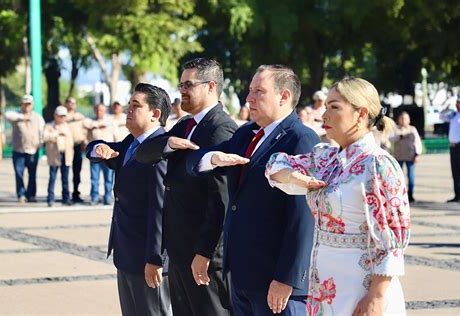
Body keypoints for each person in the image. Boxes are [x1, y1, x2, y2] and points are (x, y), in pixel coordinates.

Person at [265, 77, 410, 315]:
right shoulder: (325, 158)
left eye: (334, 107)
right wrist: (294, 178)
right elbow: (274, 164)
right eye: (325, 107)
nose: (324, 115)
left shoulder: (378, 164)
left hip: (362, 286)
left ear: (360, 114)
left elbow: (393, 240)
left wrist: (376, 296)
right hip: (325, 285)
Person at [182, 64, 319, 315]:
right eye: (249, 90)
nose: (249, 98)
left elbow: (303, 217)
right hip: (242, 275)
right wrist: (214, 159)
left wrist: (287, 278)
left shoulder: (301, 139)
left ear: (284, 96)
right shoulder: (246, 134)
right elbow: (193, 162)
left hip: (274, 280)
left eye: (259, 91)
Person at [135, 58, 236, 316]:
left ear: (211, 86)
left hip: (202, 256)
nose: (182, 91)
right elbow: (144, 153)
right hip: (179, 250)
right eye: (180, 84)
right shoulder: (185, 125)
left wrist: (205, 252)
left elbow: (221, 200)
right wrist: (168, 145)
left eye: (188, 84)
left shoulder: (221, 129)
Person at [86, 83, 172, 316]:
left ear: (155, 114)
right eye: (129, 105)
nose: (128, 110)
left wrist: (155, 258)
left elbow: (159, 207)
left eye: (136, 106)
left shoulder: (160, 148)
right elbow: (94, 148)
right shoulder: (130, 143)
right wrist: (100, 149)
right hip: (126, 252)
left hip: (147, 257)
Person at [5, 94, 45, 203]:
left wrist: (40, 144)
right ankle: (21, 194)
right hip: (19, 151)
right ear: (21, 104)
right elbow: (7, 115)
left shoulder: (37, 117)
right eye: (25, 104)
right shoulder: (16, 116)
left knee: (32, 174)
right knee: (19, 173)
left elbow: (42, 132)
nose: (27, 106)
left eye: (29, 104)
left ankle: (31, 194)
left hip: (33, 150)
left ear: (32, 105)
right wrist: (22, 117)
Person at [84, 103, 115, 205]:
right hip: (95, 155)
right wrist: (97, 125)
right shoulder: (91, 123)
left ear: (105, 111)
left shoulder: (110, 122)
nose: (99, 112)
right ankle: (94, 197)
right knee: (94, 177)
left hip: (107, 155)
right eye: (97, 110)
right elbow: (87, 134)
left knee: (109, 178)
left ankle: (107, 198)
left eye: (101, 110)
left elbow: (116, 137)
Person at [43, 106, 74, 207]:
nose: (61, 118)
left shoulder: (68, 127)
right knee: (52, 177)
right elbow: (45, 137)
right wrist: (56, 133)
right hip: (54, 155)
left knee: (65, 178)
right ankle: (50, 198)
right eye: (60, 116)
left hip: (66, 155)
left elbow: (71, 141)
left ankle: (66, 198)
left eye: (63, 116)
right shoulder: (49, 126)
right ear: (55, 115)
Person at [390, 111, 422, 202]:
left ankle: (410, 194)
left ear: (409, 120)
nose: (404, 120)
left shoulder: (412, 129)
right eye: (402, 118)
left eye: (406, 119)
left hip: (410, 156)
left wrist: (417, 154)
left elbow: (417, 143)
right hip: (398, 156)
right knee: (398, 177)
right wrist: (400, 136)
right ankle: (399, 194)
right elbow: (390, 138)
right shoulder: (395, 129)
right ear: (399, 120)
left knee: (411, 176)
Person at [440, 93, 460, 203]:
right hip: (453, 147)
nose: (457, 104)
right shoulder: (454, 115)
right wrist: (446, 107)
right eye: (457, 102)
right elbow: (441, 116)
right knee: (455, 172)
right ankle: (457, 195)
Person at [64, 97, 86, 203]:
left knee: (77, 172)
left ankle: (76, 193)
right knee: (65, 171)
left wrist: (84, 142)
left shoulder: (80, 116)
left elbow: (84, 130)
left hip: (77, 146)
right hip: (66, 146)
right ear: (66, 104)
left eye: (74, 103)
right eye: (70, 102)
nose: (72, 104)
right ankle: (66, 195)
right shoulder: (63, 116)